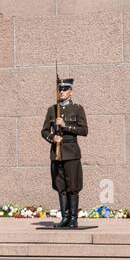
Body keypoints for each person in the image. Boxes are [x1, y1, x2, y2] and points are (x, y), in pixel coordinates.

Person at [41, 79, 89, 229]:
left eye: (65, 89)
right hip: (57, 153)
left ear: (71, 92)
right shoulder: (52, 110)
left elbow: (84, 131)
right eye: (60, 89)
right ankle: (65, 218)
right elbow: (44, 131)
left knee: (72, 187)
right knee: (61, 186)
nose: (61, 91)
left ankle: (74, 219)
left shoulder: (77, 109)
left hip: (71, 153)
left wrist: (65, 126)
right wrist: (52, 138)